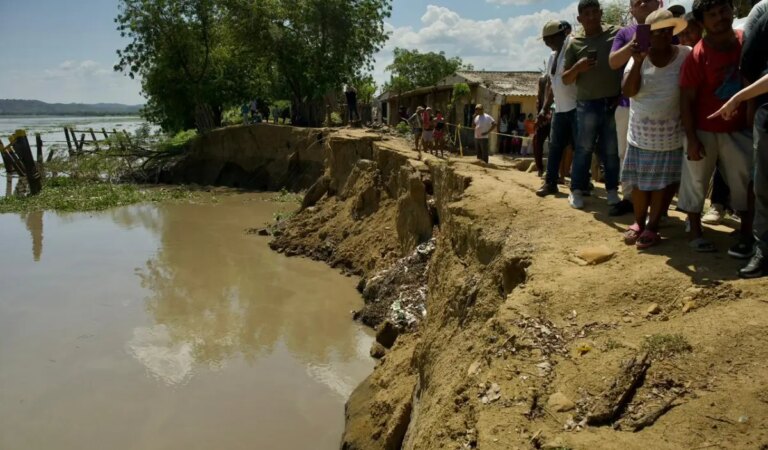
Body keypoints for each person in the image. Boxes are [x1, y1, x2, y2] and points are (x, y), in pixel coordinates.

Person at [678, 0, 754, 256]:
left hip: (740, 129)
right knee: (696, 179)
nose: (720, 17)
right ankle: (695, 232)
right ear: (702, 22)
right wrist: (692, 138)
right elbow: (686, 100)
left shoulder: (747, 42)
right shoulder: (697, 55)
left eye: (724, 10)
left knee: (744, 181)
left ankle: (747, 233)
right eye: (712, 14)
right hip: (704, 129)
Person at [621, 9, 690, 248]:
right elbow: (628, 91)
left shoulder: (685, 54)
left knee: (662, 184)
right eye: (656, 32)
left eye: (666, 31)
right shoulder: (637, 58)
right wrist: (639, 61)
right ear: (646, 34)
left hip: (670, 135)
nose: (662, 36)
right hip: (640, 135)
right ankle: (638, 222)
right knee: (640, 185)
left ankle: (652, 227)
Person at [709, 0, 768, 276]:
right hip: (766, 110)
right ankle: (763, 250)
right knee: (763, 187)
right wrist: (742, 100)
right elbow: (750, 66)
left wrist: (739, 98)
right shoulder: (764, 11)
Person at [562, 0, 623, 210]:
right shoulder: (574, 43)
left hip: (613, 101)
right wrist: (577, 68)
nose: (591, 17)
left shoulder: (616, 34)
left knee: (611, 149)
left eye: (595, 12)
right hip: (587, 104)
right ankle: (576, 190)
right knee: (584, 148)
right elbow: (565, 79)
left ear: (601, 13)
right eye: (586, 14)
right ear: (579, 18)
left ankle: (612, 190)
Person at [609, 0, 663, 216]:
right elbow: (613, 62)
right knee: (625, 153)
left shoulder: (668, 30)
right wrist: (632, 43)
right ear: (631, 9)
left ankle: (658, 204)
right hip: (627, 105)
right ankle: (629, 198)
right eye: (636, 1)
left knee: (660, 154)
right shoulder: (624, 33)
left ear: (658, 3)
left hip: (661, 104)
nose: (642, 3)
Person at [537, 20, 578, 197]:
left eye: (550, 39)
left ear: (560, 36)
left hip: (576, 107)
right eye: (545, 40)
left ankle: (580, 185)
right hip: (559, 110)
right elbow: (552, 85)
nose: (547, 43)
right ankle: (550, 183)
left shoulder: (572, 49)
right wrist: (544, 108)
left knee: (579, 148)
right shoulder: (553, 57)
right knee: (555, 147)